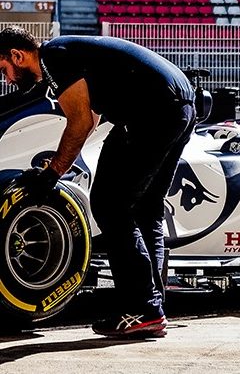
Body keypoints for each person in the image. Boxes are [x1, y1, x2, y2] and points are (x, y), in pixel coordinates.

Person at [0, 26, 196, 338]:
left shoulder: (54, 57)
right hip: (179, 104)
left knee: (109, 206)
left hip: (152, 109)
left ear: (17, 55)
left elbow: (79, 122)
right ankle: (150, 310)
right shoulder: (68, 53)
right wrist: (57, 167)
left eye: (4, 70)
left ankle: (144, 308)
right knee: (146, 209)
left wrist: (52, 174)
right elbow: (89, 120)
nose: (8, 79)